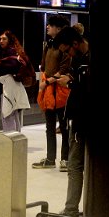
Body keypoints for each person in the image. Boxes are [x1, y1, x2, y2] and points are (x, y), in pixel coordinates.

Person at [52, 25, 90, 217]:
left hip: (82, 119)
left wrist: (70, 83)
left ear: (75, 43)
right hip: (81, 118)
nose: (67, 55)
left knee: (75, 165)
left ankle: (71, 210)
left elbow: (87, 89)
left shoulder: (87, 60)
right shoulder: (80, 59)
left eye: (67, 50)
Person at [32, 14, 71, 169]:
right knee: (49, 126)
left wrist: (46, 82)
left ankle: (65, 159)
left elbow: (64, 69)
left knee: (63, 126)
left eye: (51, 25)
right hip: (49, 92)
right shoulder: (48, 45)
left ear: (59, 28)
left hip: (60, 91)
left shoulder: (65, 47)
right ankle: (50, 159)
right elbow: (44, 66)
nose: (47, 27)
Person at [0, 30, 31, 132]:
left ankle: (11, 139)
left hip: (9, 86)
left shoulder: (10, 51)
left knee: (8, 113)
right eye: (0, 39)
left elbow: (13, 65)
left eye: (4, 39)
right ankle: (16, 138)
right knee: (12, 113)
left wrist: (0, 64)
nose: (1, 41)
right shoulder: (11, 51)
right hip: (11, 86)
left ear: (9, 40)